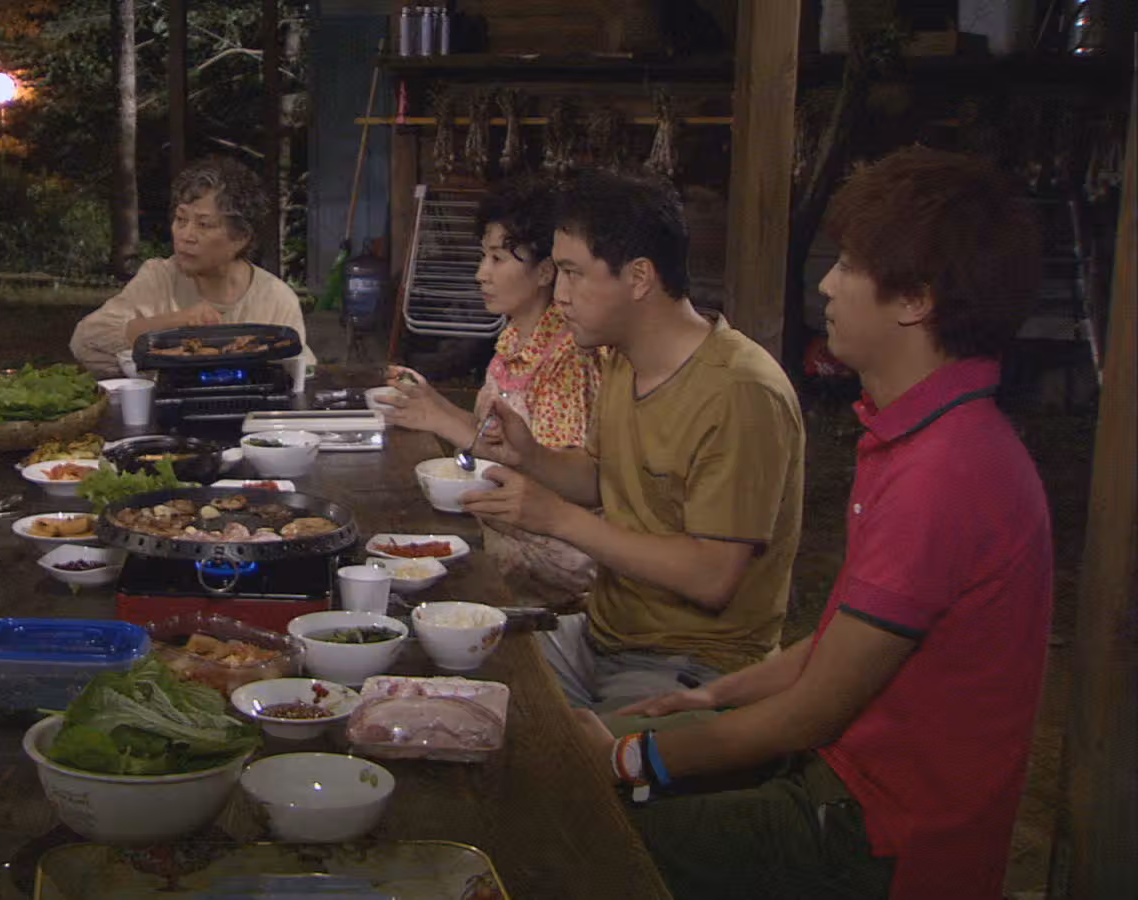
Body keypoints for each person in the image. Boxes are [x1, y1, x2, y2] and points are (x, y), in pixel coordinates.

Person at [580, 147, 1052, 900]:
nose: (827, 283)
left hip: (877, 830)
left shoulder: (947, 472)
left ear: (915, 300)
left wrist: (625, 757)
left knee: (578, 836)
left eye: (851, 266)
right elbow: (842, 642)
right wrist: (716, 698)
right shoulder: (923, 434)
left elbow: (810, 714)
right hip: (838, 777)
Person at [462, 169, 805, 713]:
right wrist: (531, 456)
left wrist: (558, 518)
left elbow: (712, 576)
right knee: (457, 680)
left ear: (640, 277)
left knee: (561, 751)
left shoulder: (739, 392)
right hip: (602, 636)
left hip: (693, 663)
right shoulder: (622, 357)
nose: (560, 295)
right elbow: (601, 476)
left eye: (573, 273)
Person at [380, 176, 600, 597]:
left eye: (498, 259)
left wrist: (442, 420)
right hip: (507, 529)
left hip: (556, 557)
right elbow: (495, 439)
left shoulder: (566, 354)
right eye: (484, 257)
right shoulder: (513, 338)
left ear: (545, 271)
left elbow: (552, 476)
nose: (481, 274)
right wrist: (432, 407)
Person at [69, 156, 316, 375]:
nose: (185, 235)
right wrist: (176, 322)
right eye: (181, 219)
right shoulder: (159, 277)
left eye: (203, 224)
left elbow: (300, 374)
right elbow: (85, 342)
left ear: (241, 237)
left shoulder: (275, 299)